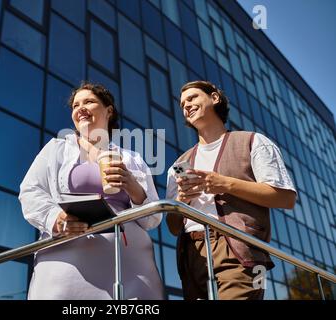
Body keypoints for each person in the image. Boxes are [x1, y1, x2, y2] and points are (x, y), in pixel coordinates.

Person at [19, 82, 164, 300]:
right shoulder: (56, 149)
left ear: (108, 110)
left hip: (131, 269)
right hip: (66, 269)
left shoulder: (132, 158)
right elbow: (30, 191)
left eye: (89, 101)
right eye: (76, 105)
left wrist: (134, 188)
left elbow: (153, 219)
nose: (80, 108)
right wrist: (56, 219)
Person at [166, 80, 297, 300]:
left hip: (242, 250)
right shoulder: (179, 164)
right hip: (192, 254)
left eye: (193, 98)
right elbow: (172, 227)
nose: (186, 105)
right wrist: (182, 200)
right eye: (182, 104)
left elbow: (286, 198)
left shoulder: (253, 142)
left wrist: (225, 184)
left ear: (214, 98)